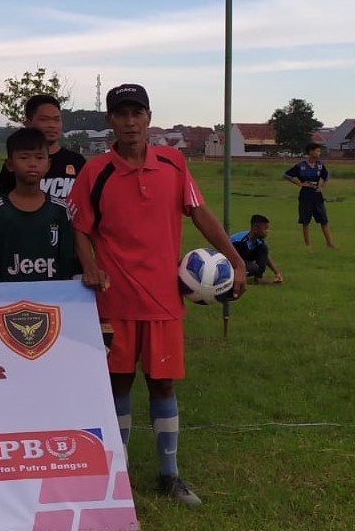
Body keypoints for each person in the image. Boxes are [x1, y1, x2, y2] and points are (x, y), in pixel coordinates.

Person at [66, 83, 246, 508]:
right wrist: (90, 266)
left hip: (164, 300)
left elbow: (199, 212)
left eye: (137, 113)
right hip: (114, 300)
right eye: (121, 114)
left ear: (149, 117)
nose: (130, 122)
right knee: (118, 383)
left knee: (163, 384)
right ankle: (117, 474)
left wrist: (236, 260)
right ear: (110, 121)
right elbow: (81, 228)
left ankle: (170, 474)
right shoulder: (96, 171)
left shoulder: (173, 162)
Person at [0, 128, 78, 283]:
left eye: (39, 157)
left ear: (48, 164)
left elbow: (68, 261)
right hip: (7, 295)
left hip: (50, 295)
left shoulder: (60, 210)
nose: (32, 164)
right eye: (24, 157)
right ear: (9, 165)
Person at [0, 94, 86, 201]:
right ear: (28, 123)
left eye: (56, 119)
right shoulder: (19, 163)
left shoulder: (77, 161)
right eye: (44, 119)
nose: (52, 125)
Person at [284, 142, 336, 248]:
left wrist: (322, 187)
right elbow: (287, 175)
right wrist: (299, 183)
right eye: (317, 151)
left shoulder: (320, 165)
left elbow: (326, 176)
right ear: (311, 152)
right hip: (305, 195)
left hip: (317, 195)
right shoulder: (300, 166)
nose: (319, 153)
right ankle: (308, 244)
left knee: (324, 220)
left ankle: (329, 243)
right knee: (305, 221)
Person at [230, 214, 283, 285]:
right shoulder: (238, 241)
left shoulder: (259, 242)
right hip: (231, 261)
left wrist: (277, 273)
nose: (268, 231)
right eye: (265, 228)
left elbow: (266, 257)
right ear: (255, 229)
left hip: (243, 260)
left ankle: (258, 278)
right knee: (254, 268)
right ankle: (233, 276)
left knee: (263, 249)